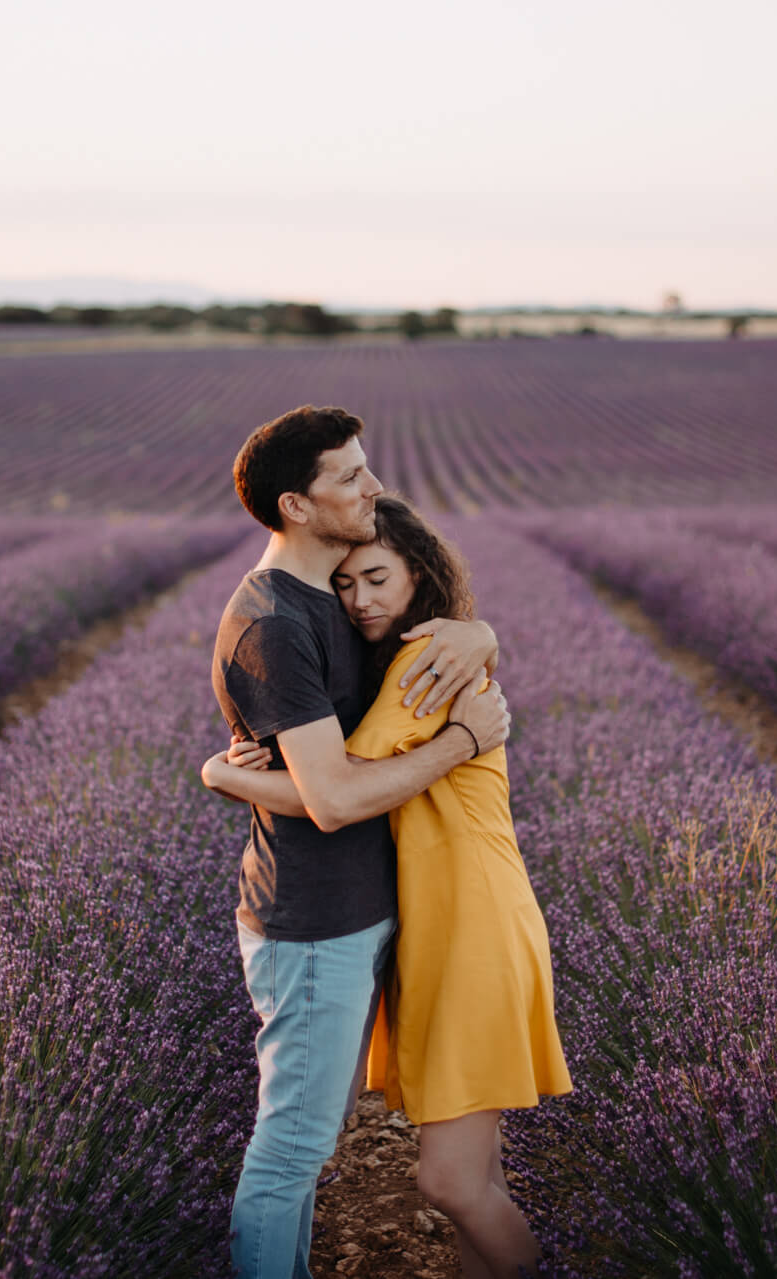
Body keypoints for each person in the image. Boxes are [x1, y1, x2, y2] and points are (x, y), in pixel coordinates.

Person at [204, 494, 570, 1279]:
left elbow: (334, 789)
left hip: (470, 927)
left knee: (446, 1179)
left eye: (376, 577)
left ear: (419, 573)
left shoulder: (419, 665)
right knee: (479, 1176)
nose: (360, 599)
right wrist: (483, 631)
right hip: (461, 921)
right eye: (345, 586)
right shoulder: (432, 652)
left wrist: (216, 775)